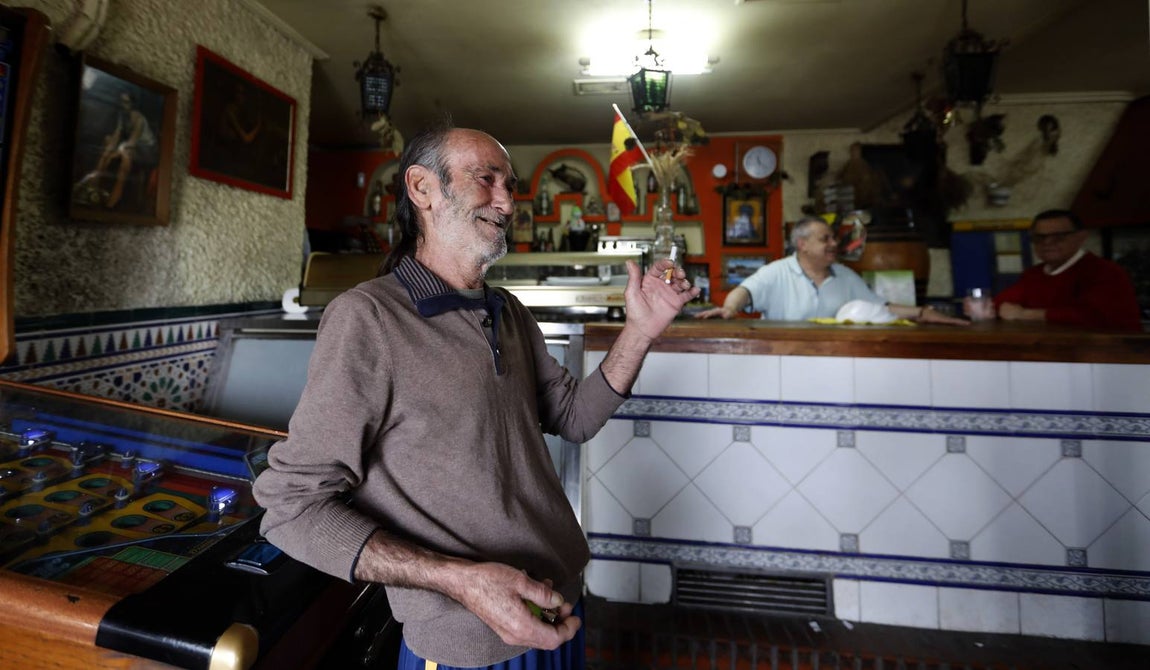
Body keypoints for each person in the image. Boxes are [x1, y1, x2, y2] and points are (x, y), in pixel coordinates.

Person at [252, 123, 699, 670]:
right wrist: (460, 582)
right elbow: (292, 508)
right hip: (468, 643)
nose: (507, 202)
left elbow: (575, 418)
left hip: (559, 605)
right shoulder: (367, 319)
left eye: (509, 185)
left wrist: (640, 331)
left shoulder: (506, 310)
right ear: (422, 189)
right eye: (485, 179)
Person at [696, 216, 966, 324]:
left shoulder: (846, 276)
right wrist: (730, 309)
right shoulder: (776, 272)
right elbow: (743, 291)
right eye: (825, 239)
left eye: (833, 238)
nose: (834, 243)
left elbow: (880, 306)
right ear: (802, 244)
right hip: (782, 361)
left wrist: (923, 313)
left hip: (833, 364)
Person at [976, 209, 1142, 331]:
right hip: (1055, 357)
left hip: (1116, 361)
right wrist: (982, 308)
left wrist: (1026, 314)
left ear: (1081, 237)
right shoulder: (1034, 274)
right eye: (1039, 238)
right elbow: (1002, 304)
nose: (1047, 243)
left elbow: (1095, 317)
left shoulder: (1105, 272)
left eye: (1059, 236)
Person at [76, 90, 158, 209]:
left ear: (132, 105)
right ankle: (93, 185)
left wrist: (114, 154)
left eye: (126, 102)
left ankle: (114, 198)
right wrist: (106, 153)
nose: (122, 105)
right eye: (121, 101)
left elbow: (132, 141)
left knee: (126, 155)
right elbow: (117, 134)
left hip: (147, 150)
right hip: (131, 145)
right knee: (108, 140)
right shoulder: (122, 115)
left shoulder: (139, 118)